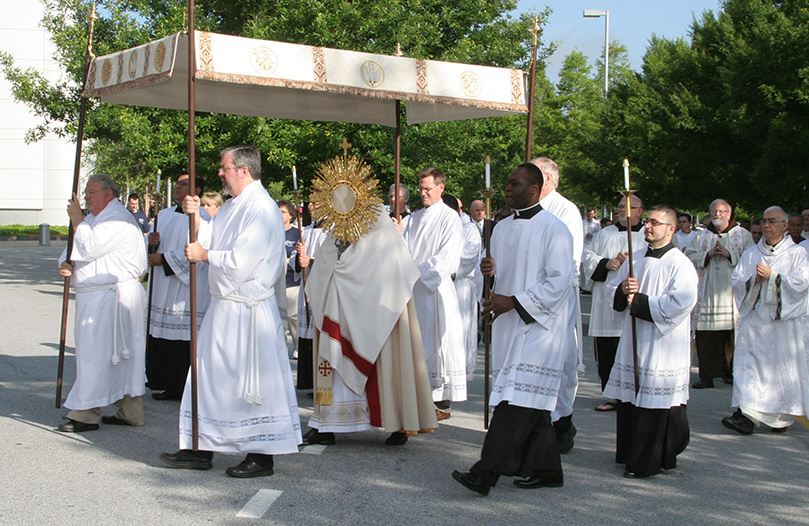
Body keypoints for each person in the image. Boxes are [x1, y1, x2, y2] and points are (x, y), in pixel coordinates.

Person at [160, 146, 301, 478]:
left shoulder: (263, 209)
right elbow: (211, 238)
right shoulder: (233, 206)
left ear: (243, 170)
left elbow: (242, 260)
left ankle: (261, 455)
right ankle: (200, 446)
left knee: (252, 384)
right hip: (224, 306)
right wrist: (196, 215)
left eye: (224, 168)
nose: (220, 174)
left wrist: (204, 255)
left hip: (248, 311)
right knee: (210, 377)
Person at [452, 163, 574, 496]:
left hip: (540, 330)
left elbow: (560, 282)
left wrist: (517, 302)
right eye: (507, 183)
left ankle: (484, 473)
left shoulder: (555, 229)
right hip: (509, 325)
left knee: (515, 403)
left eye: (515, 183)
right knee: (529, 401)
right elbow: (497, 278)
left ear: (534, 189)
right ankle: (548, 469)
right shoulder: (501, 228)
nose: (507, 188)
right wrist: (489, 273)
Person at [302, 190, 438, 447]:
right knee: (330, 362)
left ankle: (396, 421)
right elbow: (326, 260)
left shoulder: (377, 220)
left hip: (375, 308)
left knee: (387, 361)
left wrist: (346, 272)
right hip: (338, 305)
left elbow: (389, 264)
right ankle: (325, 423)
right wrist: (333, 273)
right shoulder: (335, 225)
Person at [605, 204, 698, 478]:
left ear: (671, 229)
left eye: (655, 223)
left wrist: (640, 303)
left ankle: (645, 462)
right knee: (632, 397)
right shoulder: (636, 258)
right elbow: (614, 290)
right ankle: (629, 454)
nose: (648, 226)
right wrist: (622, 291)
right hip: (634, 338)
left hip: (662, 343)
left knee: (655, 401)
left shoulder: (680, 264)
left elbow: (682, 302)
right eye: (647, 222)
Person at [57, 174, 148, 432]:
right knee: (110, 356)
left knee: (97, 356)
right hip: (96, 296)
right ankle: (130, 409)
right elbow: (74, 250)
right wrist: (66, 265)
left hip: (113, 296)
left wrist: (75, 217)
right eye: (85, 192)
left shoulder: (118, 219)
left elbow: (90, 246)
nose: (86, 197)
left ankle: (85, 413)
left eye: (91, 192)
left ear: (109, 194)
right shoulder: (94, 219)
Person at [721, 206, 809, 435]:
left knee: (779, 372)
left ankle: (779, 418)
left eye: (772, 221)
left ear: (785, 226)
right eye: (764, 221)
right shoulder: (752, 253)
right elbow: (737, 282)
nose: (767, 225)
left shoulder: (797, 254)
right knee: (750, 368)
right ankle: (746, 416)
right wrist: (755, 281)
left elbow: (801, 286)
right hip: (756, 322)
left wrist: (774, 279)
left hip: (783, 326)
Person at [401, 167, 466, 420]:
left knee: (433, 343)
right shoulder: (414, 219)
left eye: (427, 188)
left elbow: (446, 259)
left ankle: (437, 400)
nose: (423, 193)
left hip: (434, 289)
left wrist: (414, 273)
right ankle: (416, 397)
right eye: (420, 188)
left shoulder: (450, 218)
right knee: (415, 343)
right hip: (411, 290)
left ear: (441, 187)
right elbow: (404, 250)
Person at [532, 156, 583, 453]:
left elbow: (568, 259)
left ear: (548, 179)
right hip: (531, 294)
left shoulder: (566, 210)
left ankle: (563, 421)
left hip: (557, 296)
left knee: (562, 362)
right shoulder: (528, 208)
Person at [145, 174, 211, 401]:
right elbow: (152, 246)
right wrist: (152, 244)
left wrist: (163, 260)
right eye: (178, 183)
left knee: (183, 338)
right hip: (163, 286)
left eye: (184, 184)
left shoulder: (202, 219)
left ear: (197, 190)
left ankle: (184, 386)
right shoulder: (163, 215)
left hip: (184, 288)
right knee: (161, 335)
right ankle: (164, 382)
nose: (178, 187)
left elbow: (198, 248)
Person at [582, 194, 647, 412]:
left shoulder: (647, 236)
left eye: (628, 206)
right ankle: (612, 395)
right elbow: (587, 257)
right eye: (619, 206)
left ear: (640, 211)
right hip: (605, 301)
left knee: (634, 347)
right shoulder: (604, 234)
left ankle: (636, 393)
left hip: (632, 300)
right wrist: (607, 263)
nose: (622, 209)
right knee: (608, 348)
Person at [685, 199, 753, 389]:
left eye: (722, 211)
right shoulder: (701, 237)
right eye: (714, 211)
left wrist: (728, 253)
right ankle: (706, 376)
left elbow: (751, 259)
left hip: (731, 295)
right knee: (706, 338)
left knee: (730, 337)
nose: (717, 214)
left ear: (729, 214)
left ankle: (730, 372)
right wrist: (707, 255)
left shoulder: (743, 235)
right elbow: (688, 257)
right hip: (707, 294)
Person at [443, 194, 483, 380]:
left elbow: (468, 257)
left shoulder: (469, 229)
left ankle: (459, 366)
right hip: (440, 282)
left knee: (459, 326)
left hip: (460, 284)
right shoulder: (441, 225)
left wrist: (447, 271)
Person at [294, 202, 326, 391]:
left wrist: (311, 261)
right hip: (305, 288)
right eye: (310, 203)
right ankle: (308, 382)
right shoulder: (305, 231)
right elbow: (295, 262)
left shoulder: (332, 231)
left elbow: (336, 260)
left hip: (322, 290)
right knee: (306, 333)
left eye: (317, 201)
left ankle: (321, 383)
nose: (313, 206)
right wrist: (299, 258)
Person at [278, 199, 301, 359]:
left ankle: (298, 346)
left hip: (292, 281)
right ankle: (280, 349)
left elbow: (296, 255)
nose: (280, 214)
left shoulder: (296, 233)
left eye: (283, 211)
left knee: (293, 317)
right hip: (276, 282)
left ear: (291, 215)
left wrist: (286, 261)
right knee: (279, 318)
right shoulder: (272, 231)